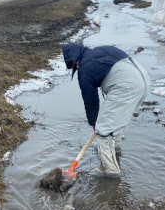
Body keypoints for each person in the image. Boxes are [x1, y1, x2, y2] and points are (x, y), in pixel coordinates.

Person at [62, 44, 150, 177]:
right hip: (144, 81)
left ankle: (109, 171)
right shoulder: (101, 50)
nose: (76, 68)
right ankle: (115, 149)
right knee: (115, 119)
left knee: (104, 128)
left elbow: (90, 99)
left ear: (76, 61)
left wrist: (94, 123)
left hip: (127, 85)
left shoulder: (84, 68)